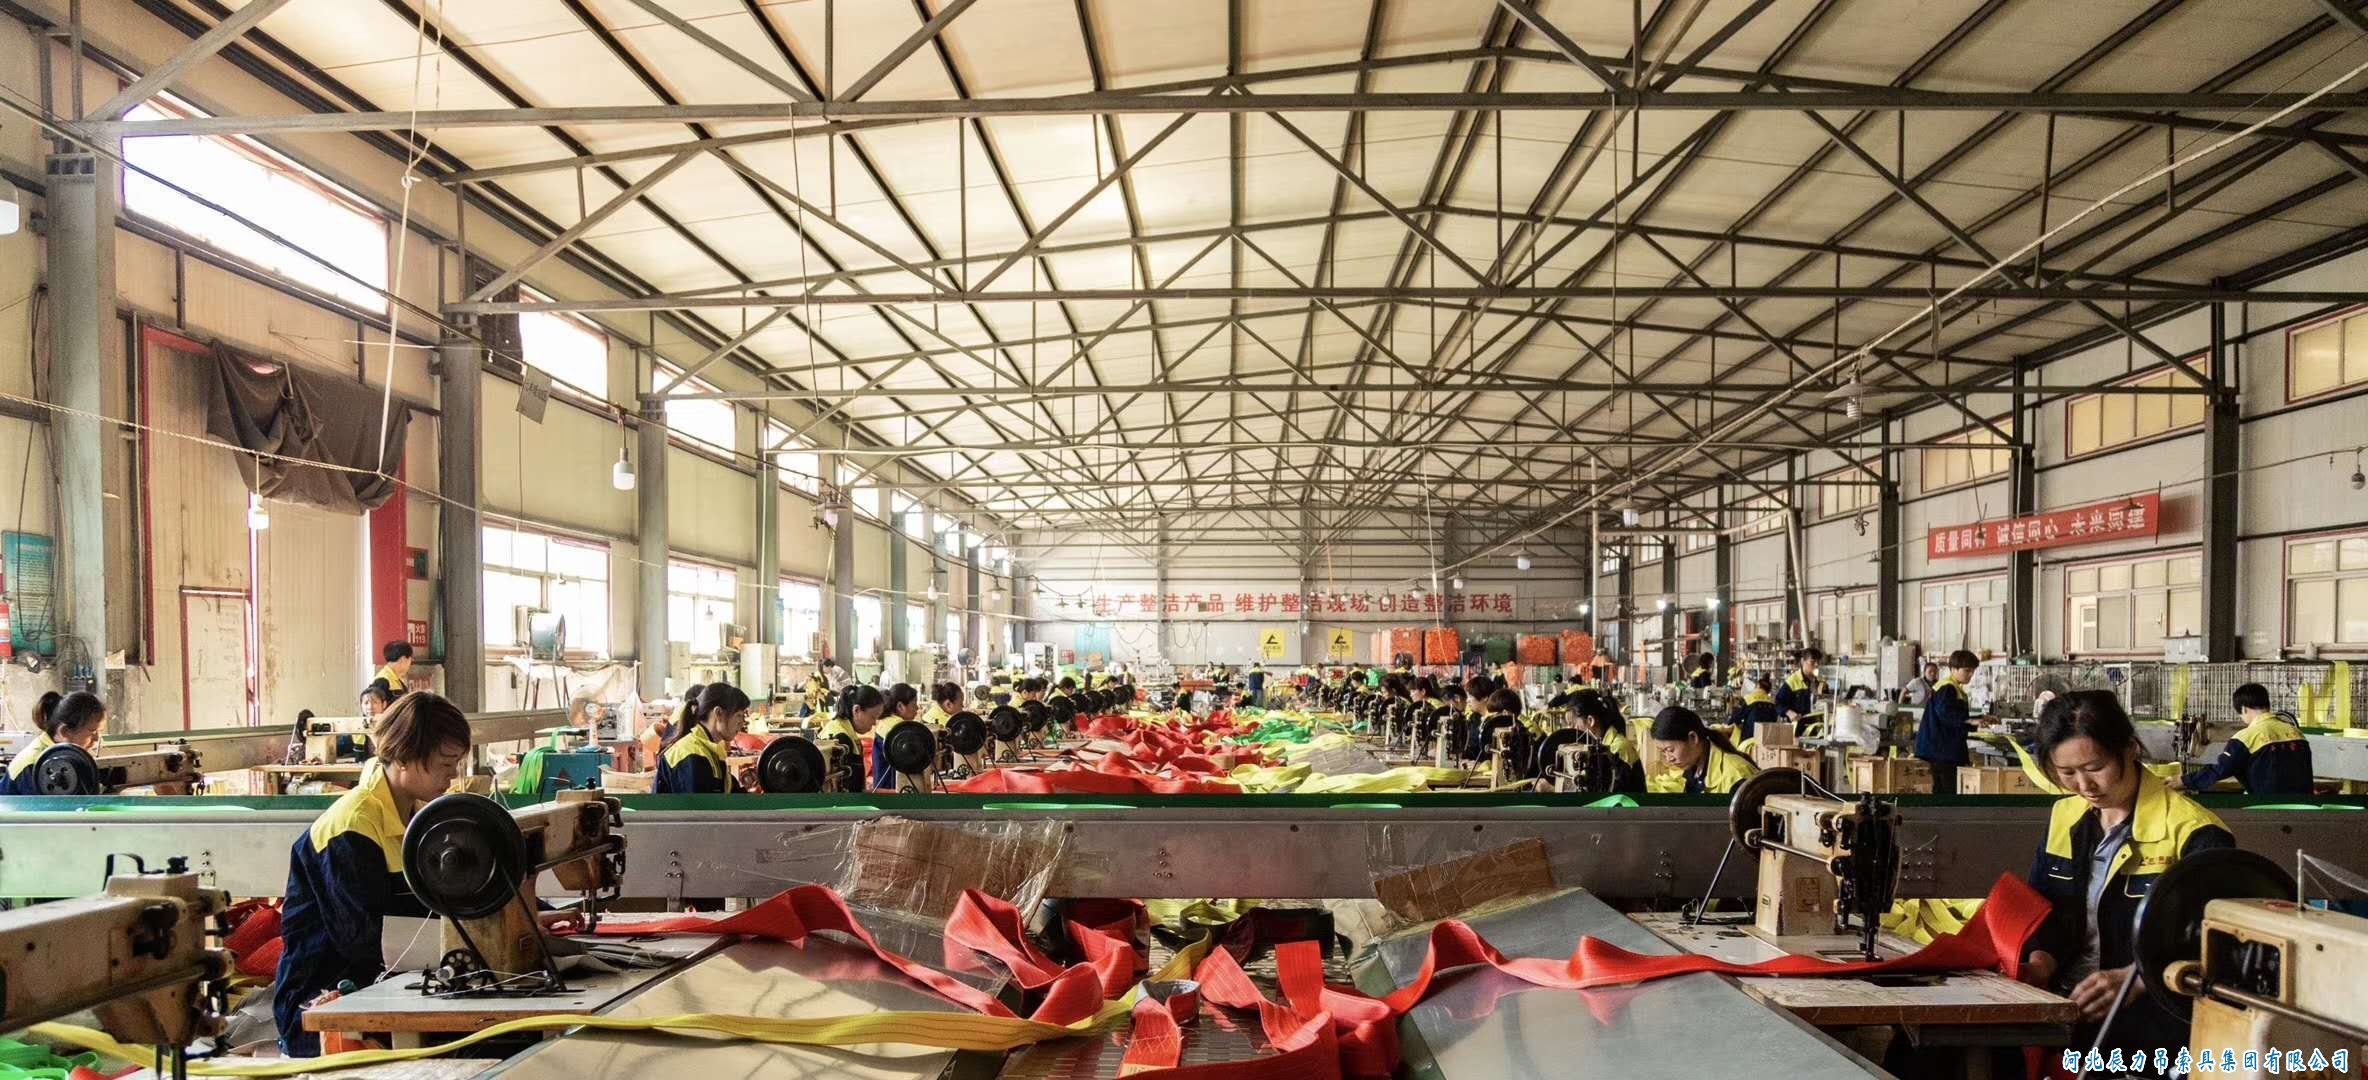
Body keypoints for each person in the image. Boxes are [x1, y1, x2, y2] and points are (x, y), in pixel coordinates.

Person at [2021, 690, 2232, 1070]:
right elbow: (2042, 910)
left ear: (2130, 749)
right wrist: (2039, 962)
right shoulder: (2064, 816)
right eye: (2067, 773)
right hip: (2067, 1012)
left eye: (2095, 767)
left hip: (2155, 1028)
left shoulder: (2193, 832)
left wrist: (2136, 979)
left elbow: (2219, 943)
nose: (2084, 785)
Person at [274, 692, 472, 1056]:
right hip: (325, 1006)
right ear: (403, 756)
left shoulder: (414, 817)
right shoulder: (351, 826)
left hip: (386, 991)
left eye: (456, 763)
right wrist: (469, 942)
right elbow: (365, 940)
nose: (452, 774)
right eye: (446, 763)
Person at [2173, 683, 2314, 796]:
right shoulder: (2296, 732)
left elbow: (2221, 770)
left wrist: (2185, 780)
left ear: (2244, 709)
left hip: (2268, 808)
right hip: (2305, 807)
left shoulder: (2245, 737)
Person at [656, 684, 748, 794]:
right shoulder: (691, 754)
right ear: (718, 713)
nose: (742, 722)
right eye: (739, 715)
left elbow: (728, 792)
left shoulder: (711, 751)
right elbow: (699, 803)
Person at [1652, 705, 1758, 795]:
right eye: (1663, 752)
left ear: (1693, 738)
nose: (1669, 758)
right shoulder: (1693, 769)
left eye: (1670, 750)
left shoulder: (1737, 776)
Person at [1915, 650, 1980, 795]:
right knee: (1947, 794)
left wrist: (1981, 718)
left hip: (1943, 750)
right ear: (1953, 669)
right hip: (1941, 752)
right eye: (1967, 670)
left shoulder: (1954, 688)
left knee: (1944, 793)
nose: (1970, 675)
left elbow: (1954, 715)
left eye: (1973, 671)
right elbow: (1945, 713)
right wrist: (1971, 721)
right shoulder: (1947, 688)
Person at [1569, 690, 1645, 793]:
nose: (1573, 728)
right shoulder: (1598, 743)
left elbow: (1615, 791)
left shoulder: (1618, 748)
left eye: (1574, 723)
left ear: (1590, 721)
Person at [2, 691, 66, 795]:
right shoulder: (34, 763)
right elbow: (40, 804)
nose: (93, 740)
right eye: (90, 732)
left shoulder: (56, 752)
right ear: (64, 731)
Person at [869, 683, 924, 791]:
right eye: (914, 704)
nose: (917, 708)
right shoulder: (899, 729)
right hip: (892, 789)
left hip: (881, 786)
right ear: (900, 706)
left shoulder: (886, 722)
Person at [1772, 647, 1825, 722]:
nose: (1816, 665)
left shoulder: (1821, 682)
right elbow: (1778, 703)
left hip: (1818, 726)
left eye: (1818, 662)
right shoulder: (1792, 681)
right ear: (1803, 661)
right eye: (1812, 662)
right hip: (1798, 726)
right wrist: (1789, 712)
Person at [1726, 676, 1780, 742]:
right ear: (1768, 690)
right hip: (1767, 740)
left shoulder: (1749, 699)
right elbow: (1774, 720)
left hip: (1750, 739)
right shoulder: (1771, 702)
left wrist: (1728, 724)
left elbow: (1737, 718)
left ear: (1758, 686)